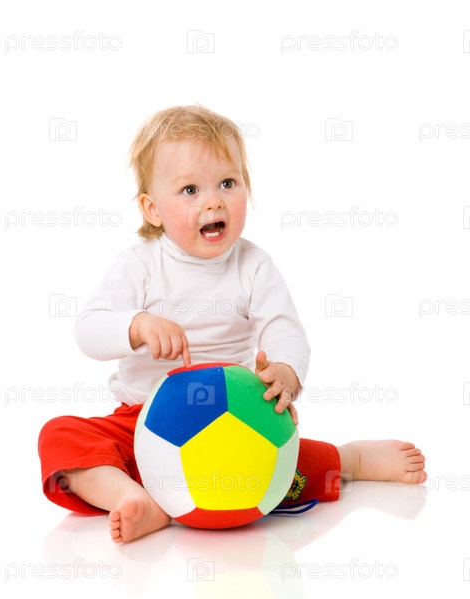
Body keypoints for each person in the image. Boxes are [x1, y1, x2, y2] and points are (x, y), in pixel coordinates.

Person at [38, 105, 427, 544]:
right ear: (152, 209)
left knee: (281, 461)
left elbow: (285, 329)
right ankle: (132, 497)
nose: (213, 201)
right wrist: (138, 325)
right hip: (143, 421)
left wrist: (284, 372)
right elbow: (89, 329)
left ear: (247, 187)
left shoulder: (253, 266)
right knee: (61, 435)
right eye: (189, 189)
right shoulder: (140, 265)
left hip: (234, 420)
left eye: (228, 183)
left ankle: (351, 460)